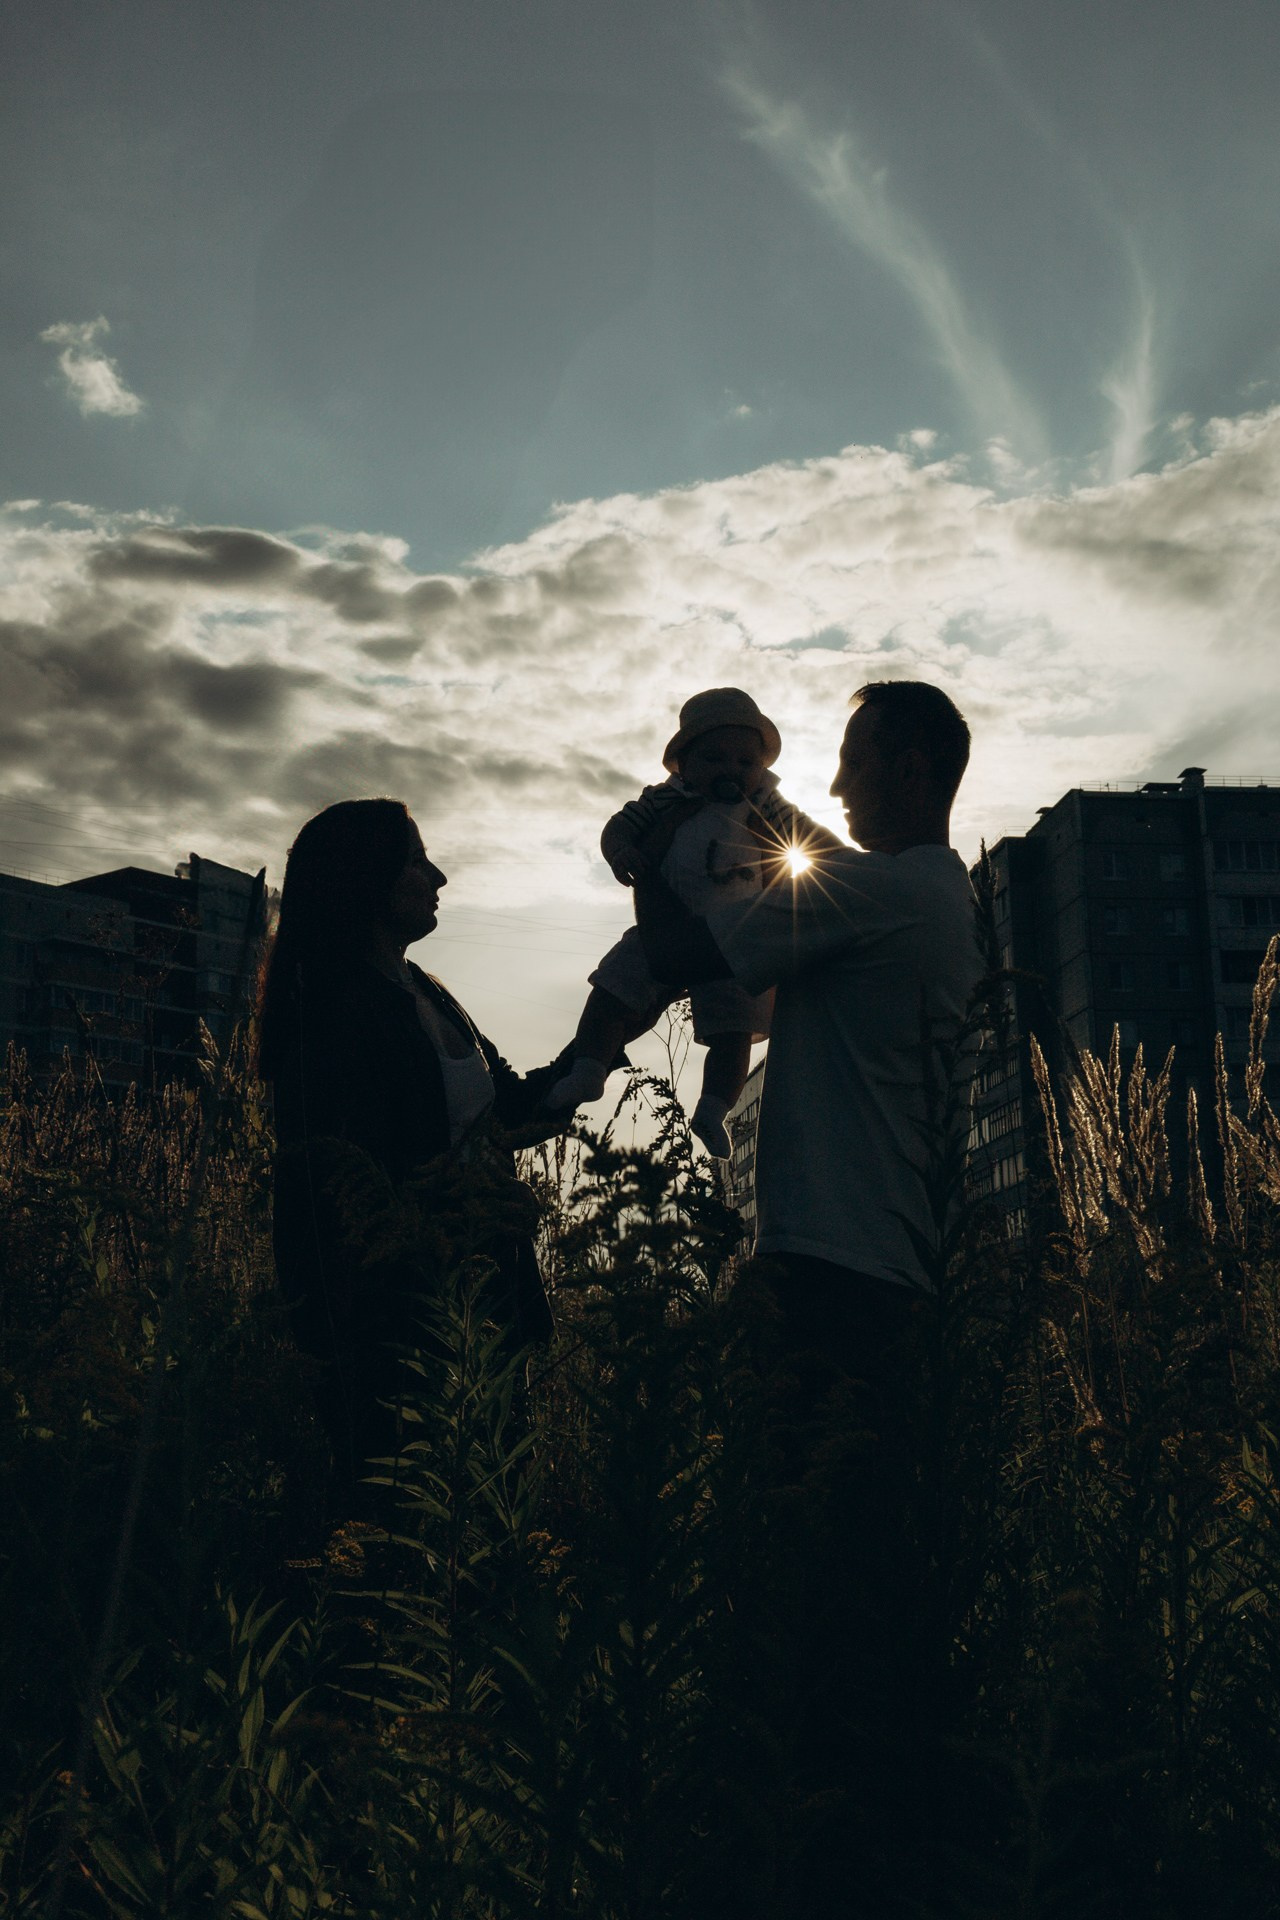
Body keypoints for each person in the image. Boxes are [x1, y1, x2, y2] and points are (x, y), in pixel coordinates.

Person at [257, 798, 572, 1510]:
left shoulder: (426, 991)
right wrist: (477, 1203)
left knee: (495, 1500)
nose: (438, 877)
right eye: (416, 860)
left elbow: (505, 1109)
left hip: (479, 1303)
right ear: (367, 877)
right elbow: (353, 1183)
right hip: (398, 1322)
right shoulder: (332, 1013)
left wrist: (603, 1039)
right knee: (413, 1510)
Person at [548, 687, 839, 1157]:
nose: (731, 770)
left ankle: (714, 1107)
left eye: (745, 762)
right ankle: (588, 1068)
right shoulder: (665, 798)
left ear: (761, 768)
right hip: (664, 925)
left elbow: (809, 836)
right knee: (612, 989)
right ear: (683, 764)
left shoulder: (765, 803)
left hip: (737, 933)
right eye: (714, 758)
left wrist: (844, 863)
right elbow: (619, 826)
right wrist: (620, 851)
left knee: (734, 1027)